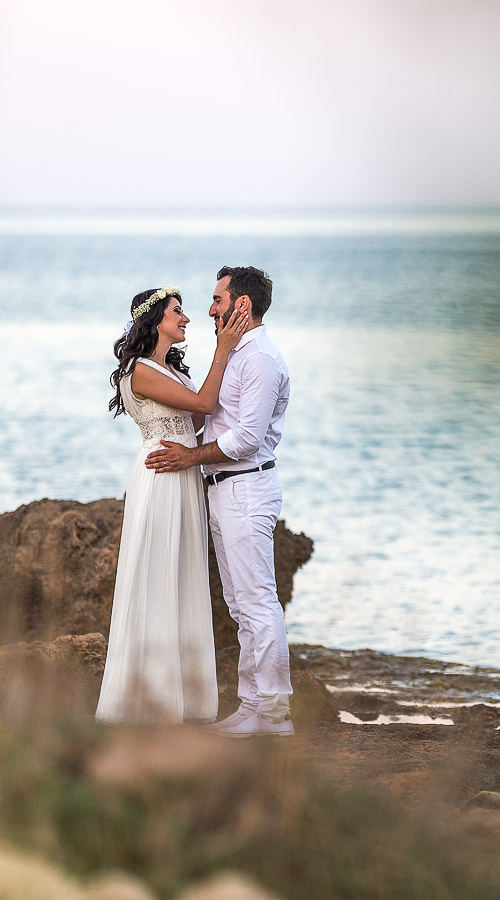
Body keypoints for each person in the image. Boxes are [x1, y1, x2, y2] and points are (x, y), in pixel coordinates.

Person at [145, 266, 294, 737]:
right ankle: (252, 707)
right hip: (224, 488)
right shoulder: (237, 353)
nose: (209, 309)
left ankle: (273, 713)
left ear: (241, 305)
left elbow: (247, 437)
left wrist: (190, 456)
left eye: (216, 299)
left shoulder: (260, 360)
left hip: (247, 487)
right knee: (239, 603)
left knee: (258, 602)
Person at [96, 285, 248, 724]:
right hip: (160, 478)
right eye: (178, 312)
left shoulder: (173, 374)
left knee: (183, 577)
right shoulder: (139, 371)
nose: (186, 319)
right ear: (155, 319)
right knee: (158, 575)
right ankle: (149, 699)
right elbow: (204, 403)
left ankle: (187, 698)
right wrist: (224, 349)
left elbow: (200, 418)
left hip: (184, 477)